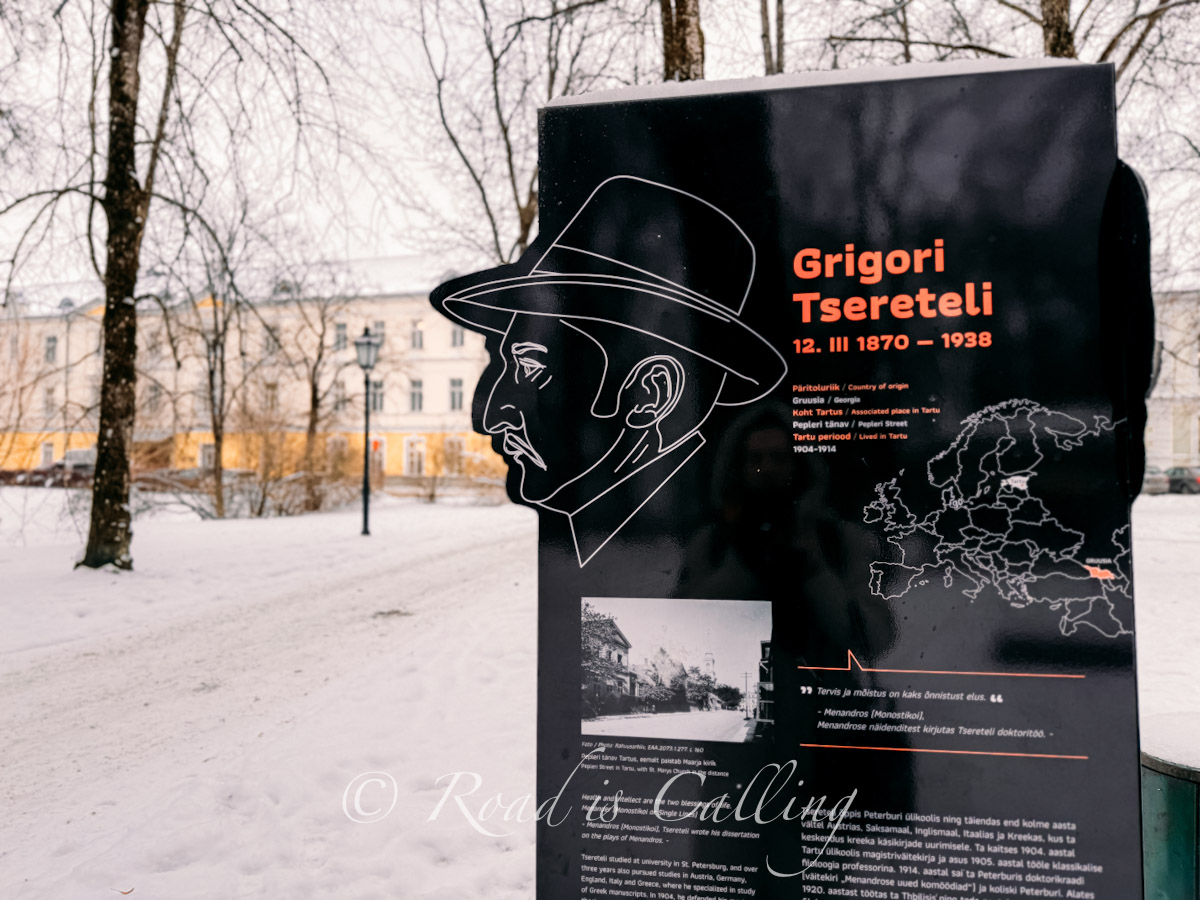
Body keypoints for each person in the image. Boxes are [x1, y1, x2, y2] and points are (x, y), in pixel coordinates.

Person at [431, 175, 787, 566]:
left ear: (652, 394)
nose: (490, 416)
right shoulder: (613, 548)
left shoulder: (724, 555)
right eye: (498, 362)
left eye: (529, 366)